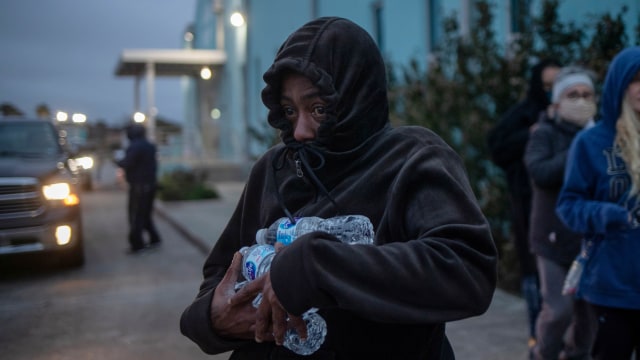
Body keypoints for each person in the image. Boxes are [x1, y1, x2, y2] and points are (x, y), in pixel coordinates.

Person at [180, 17, 497, 359]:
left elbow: (465, 270)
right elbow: (221, 275)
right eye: (289, 110)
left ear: (357, 96)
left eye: (318, 109)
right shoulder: (272, 170)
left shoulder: (412, 158)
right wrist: (208, 321)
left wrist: (315, 266)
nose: (300, 130)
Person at [556, 46, 640, 359]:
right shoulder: (592, 143)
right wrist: (603, 214)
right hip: (612, 284)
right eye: (635, 80)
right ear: (620, 84)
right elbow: (568, 205)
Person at [524, 66, 598, 360]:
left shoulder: (601, 135)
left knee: (589, 316)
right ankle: (543, 354)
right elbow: (540, 172)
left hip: (590, 238)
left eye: (586, 95)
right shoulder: (544, 133)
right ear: (556, 101)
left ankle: (576, 355)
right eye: (572, 95)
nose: (580, 101)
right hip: (552, 239)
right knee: (558, 311)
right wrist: (579, 147)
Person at [487, 58, 561, 348]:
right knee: (534, 269)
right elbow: (497, 145)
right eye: (546, 87)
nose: (552, 93)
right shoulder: (524, 116)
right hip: (528, 202)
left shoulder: (573, 119)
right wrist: (530, 134)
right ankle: (537, 339)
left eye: (557, 86)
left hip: (567, 210)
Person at [116, 123, 161, 253]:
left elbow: (127, 163)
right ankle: (155, 239)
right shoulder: (149, 145)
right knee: (145, 215)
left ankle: (137, 245)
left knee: (136, 216)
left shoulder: (135, 146)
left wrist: (118, 162)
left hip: (139, 187)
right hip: (150, 185)